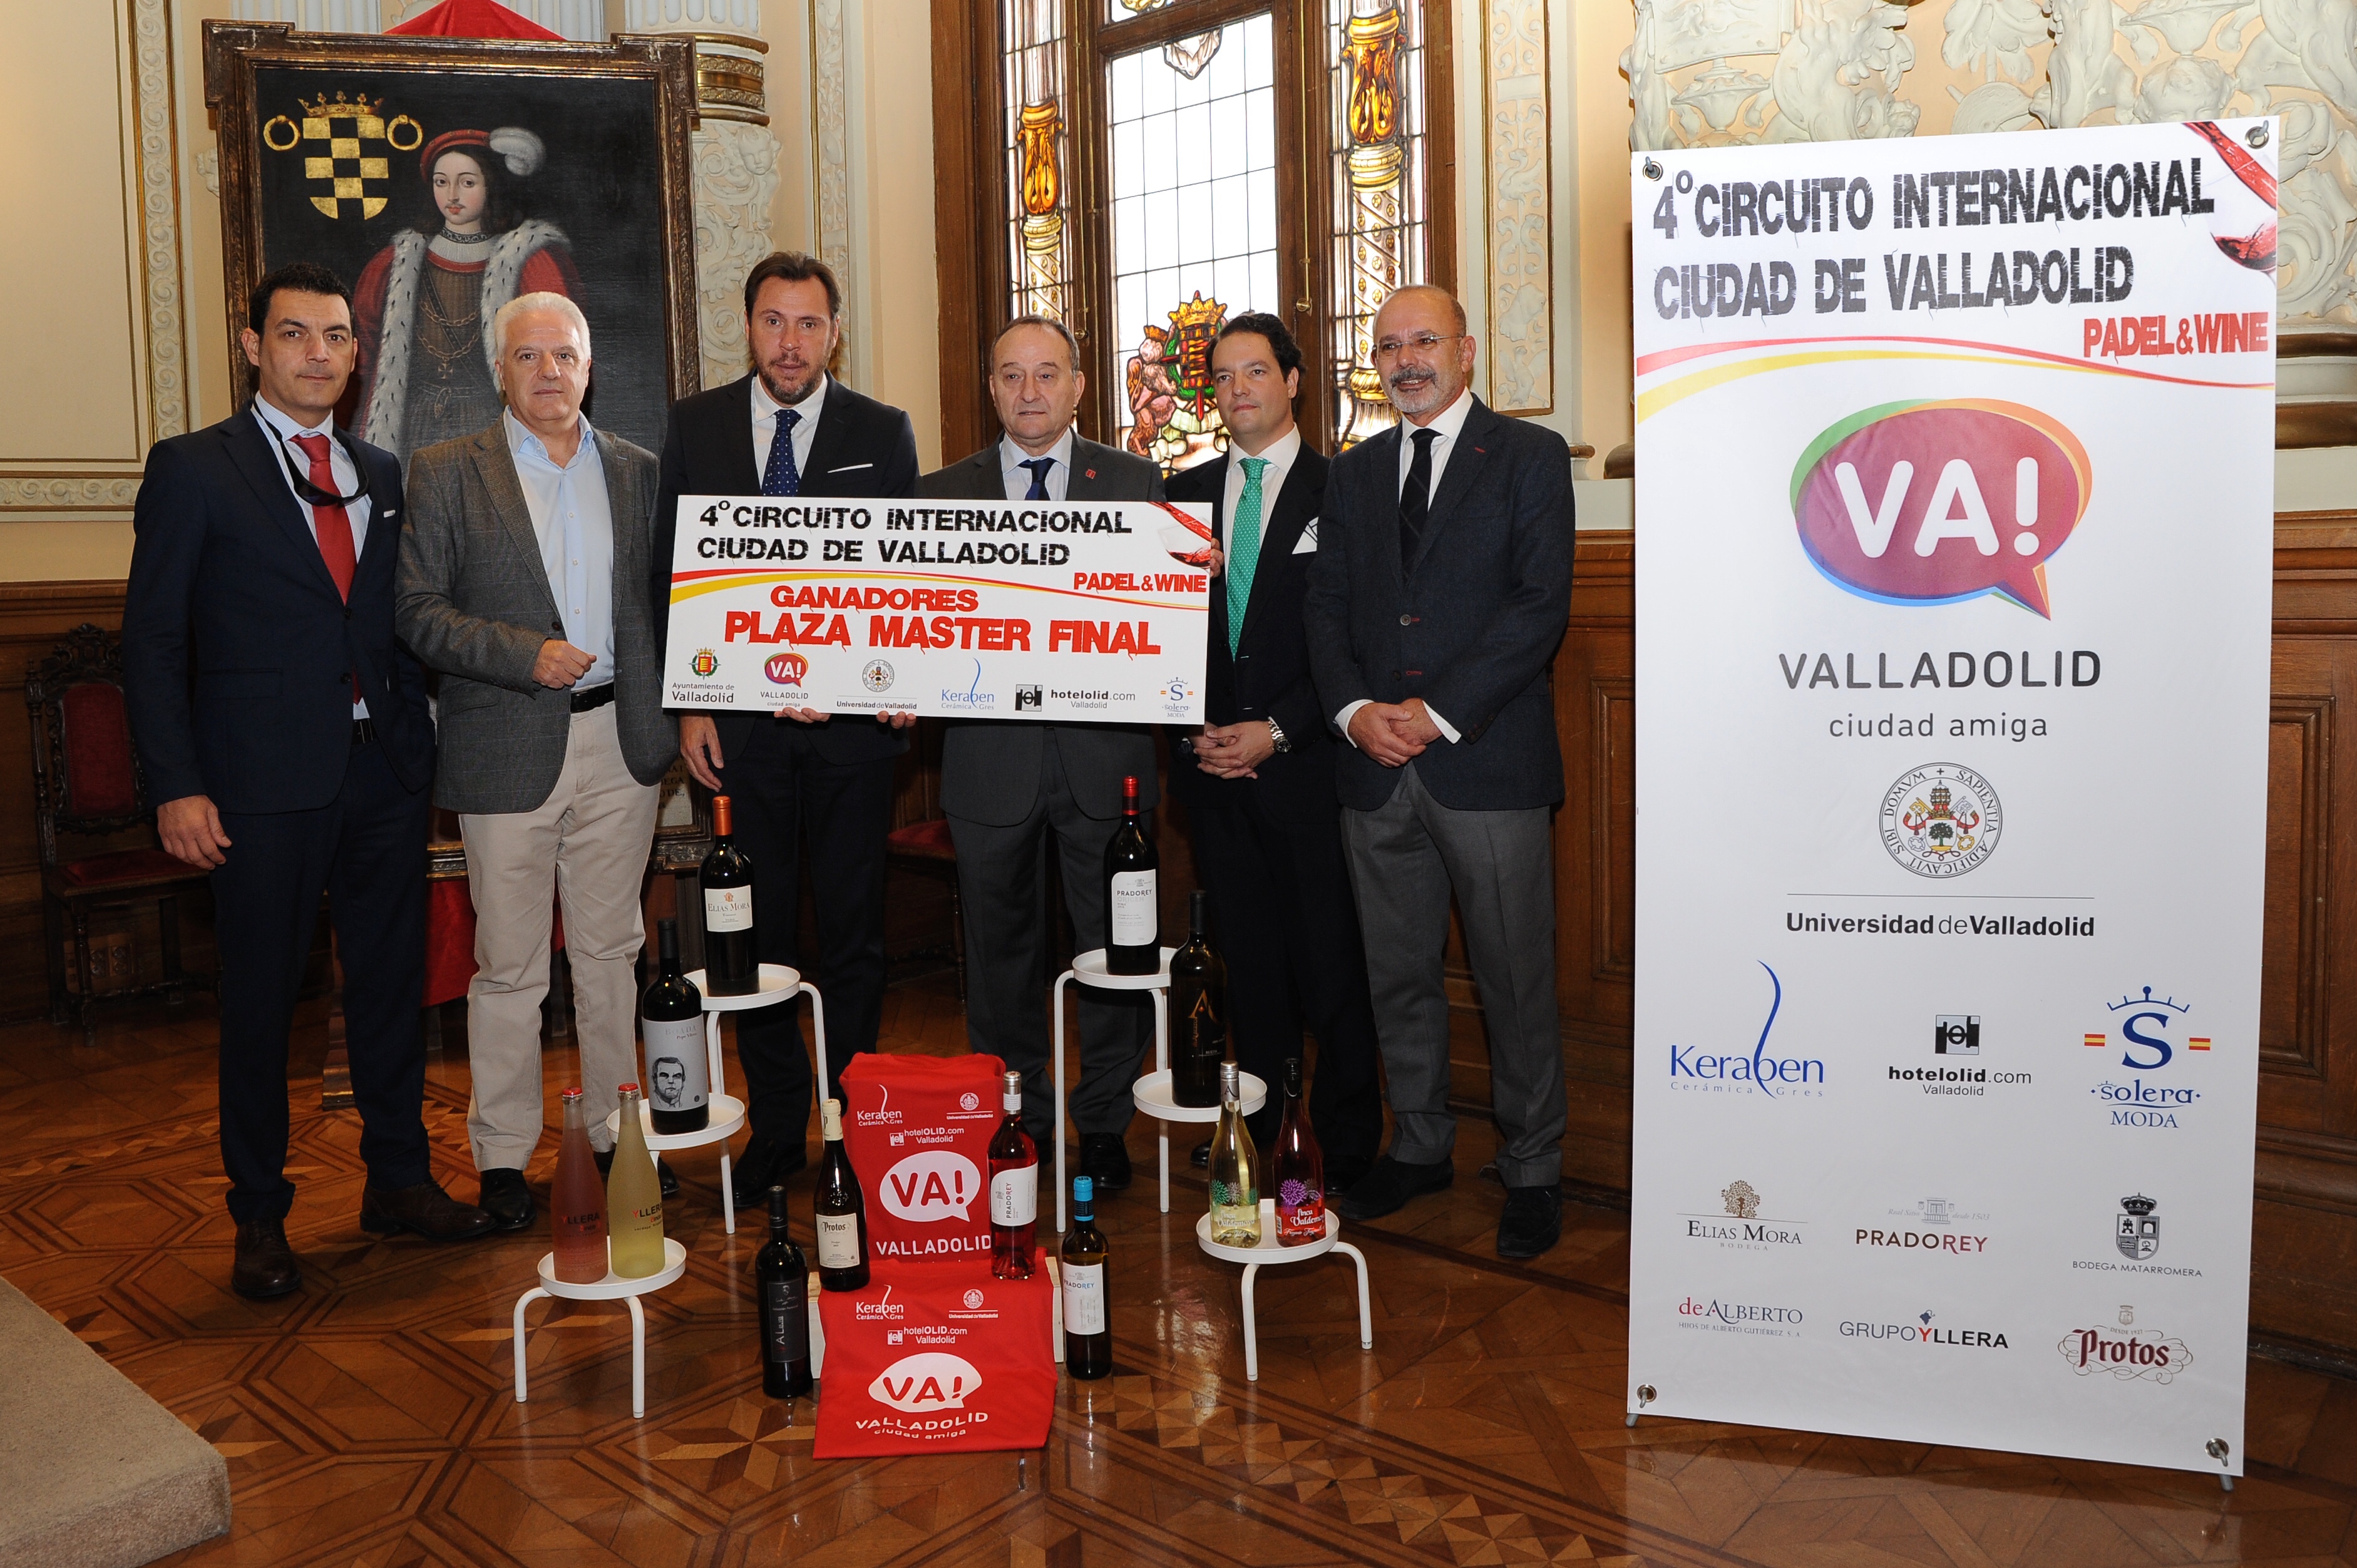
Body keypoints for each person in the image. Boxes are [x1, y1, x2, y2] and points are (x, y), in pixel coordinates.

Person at [123, 262, 495, 1300]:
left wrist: (420, 743)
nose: (317, 354)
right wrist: (175, 786)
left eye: (335, 336)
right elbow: (153, 643)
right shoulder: (195, 468)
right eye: (294, 334)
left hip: (384, 778)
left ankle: (399, 1182)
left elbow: (389, 623)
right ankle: (259, 1215)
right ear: (254, 346)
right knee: (260, 1006)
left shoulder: (380, 470)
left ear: (355, 352)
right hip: (254, 786)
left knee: (388, 990)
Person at [1303, 284, 1574, 1259]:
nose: (1405, 359)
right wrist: (1351, 712)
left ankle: (1532, 1166)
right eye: (1387, 346)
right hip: (1374, 768)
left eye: (1423, 341)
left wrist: (1436, 713)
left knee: (1514, 981)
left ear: (1465, 351)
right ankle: (1418, 1144)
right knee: (1398, 976)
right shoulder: (1354, 473)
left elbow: (1538, 606)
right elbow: (1325, 606)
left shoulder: (1530, 456)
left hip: (1486, 763)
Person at [396, 292, 675, 1231]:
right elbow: (417, 612)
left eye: (564, 356)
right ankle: (504, 1158)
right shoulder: (445, 472)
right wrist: (526, 654)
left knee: (611, 956)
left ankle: (617, 1140)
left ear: (589, 367)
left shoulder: (638, 472)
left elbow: (674, 605)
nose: (548, 372)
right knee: (509, 968)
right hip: (505, 746)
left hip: (622, 746)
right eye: (528, 356)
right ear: (500, 371)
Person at [652, 252, 920, 1208]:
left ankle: (850, 1124)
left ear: (835, 332)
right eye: (774, 321)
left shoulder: (881, 430)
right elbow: (671, 574)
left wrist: (894, 677)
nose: (791, 342)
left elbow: (905, 578)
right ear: (748, 327)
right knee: (749, 940)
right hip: (739, 732)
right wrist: (690, 701)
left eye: (809, 324)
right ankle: (775, 1126)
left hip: (852, 734)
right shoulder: (696, 425)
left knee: (852, 937)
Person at [917, 315, 1163, 1193]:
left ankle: (1105, 1123)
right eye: (1012, 375)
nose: (1030, 391)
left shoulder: (1137, 483)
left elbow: (1161, 618)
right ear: (991, 388)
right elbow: (918, 628)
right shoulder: (938, 496)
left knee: (1116, 955)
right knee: (1000, 959)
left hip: (1108, 763)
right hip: (989, 767)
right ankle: (1019, 1115)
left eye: (1047, 373)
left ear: (1079, 386)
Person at [1165, 313, 1382, 1189]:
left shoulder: (1347, 488)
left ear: (1292, 381)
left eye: (1255, 371)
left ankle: (1345, 1144)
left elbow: (1359, 638)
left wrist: (1280, 729)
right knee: (1248, 971)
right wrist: (1189, 727)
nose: (1238, 389)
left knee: (1332, 968)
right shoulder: (1179, 496)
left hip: (1310, 769)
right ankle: (1254, 1133)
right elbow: (1153, 635)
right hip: (1213, 773)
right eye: (1222, 377)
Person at [352, 127, 577, 468]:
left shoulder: (529, 263)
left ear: (490, 186)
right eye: (441, 182)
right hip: (415, 426)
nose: (453, 195)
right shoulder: (396, 263)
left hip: (490, 425)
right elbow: (367, 352)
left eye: (467, 183)